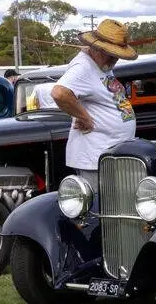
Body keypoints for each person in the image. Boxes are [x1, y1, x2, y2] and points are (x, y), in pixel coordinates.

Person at [50, 19, 139, 187]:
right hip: (95, 159)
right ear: (97, 49)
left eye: (117, 55)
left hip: (110, 157)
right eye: (111, 54)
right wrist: (84, 118)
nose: (115, 59)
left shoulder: (101, 63)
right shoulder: (83, 67)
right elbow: (59, 92)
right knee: (101, 207)